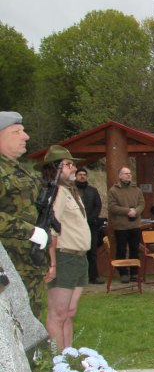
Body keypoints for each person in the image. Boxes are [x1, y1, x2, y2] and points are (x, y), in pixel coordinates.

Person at [0, 112, 48, 316]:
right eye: (16, 131)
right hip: (8, 265)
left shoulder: (19, 169)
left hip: (28, 264)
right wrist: (30, 231)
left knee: (30, 321)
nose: (26, 136)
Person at [41, 147, 89, 350]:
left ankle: (67, 358)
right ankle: (56, 361)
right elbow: (51, 229)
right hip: (64, 257)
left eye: (73, 164)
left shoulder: (70, 191)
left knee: (69, 312)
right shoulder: (57, 192)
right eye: (68, 164)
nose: (74, 168)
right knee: (58, 314)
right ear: (55, 168)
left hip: (79, 258)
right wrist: (52, 264)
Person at [107, 166, 145, 284]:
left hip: (135, 225)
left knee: (135, 250)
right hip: (121, 226)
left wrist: (136, 211)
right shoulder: (113, 190)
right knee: (121, 250)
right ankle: (123, 273)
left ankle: (134, 273)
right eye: (125, 173)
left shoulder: (136, 189)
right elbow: (112, 207)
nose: (128, 175)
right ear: (120, 176)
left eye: (129, 173)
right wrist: (127, 211)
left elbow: (142, 203)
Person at [74, 167, 104, 284]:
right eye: (80, 174)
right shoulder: (72, 190)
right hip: (75, 226)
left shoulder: (93, 190)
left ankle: (94, 276)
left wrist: (91, 218)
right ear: (76, 176)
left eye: (84, 174)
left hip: (91, 225)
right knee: (77, 251)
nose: (82, 176)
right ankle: (78, 277)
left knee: (92, 251)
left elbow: (98, 205)